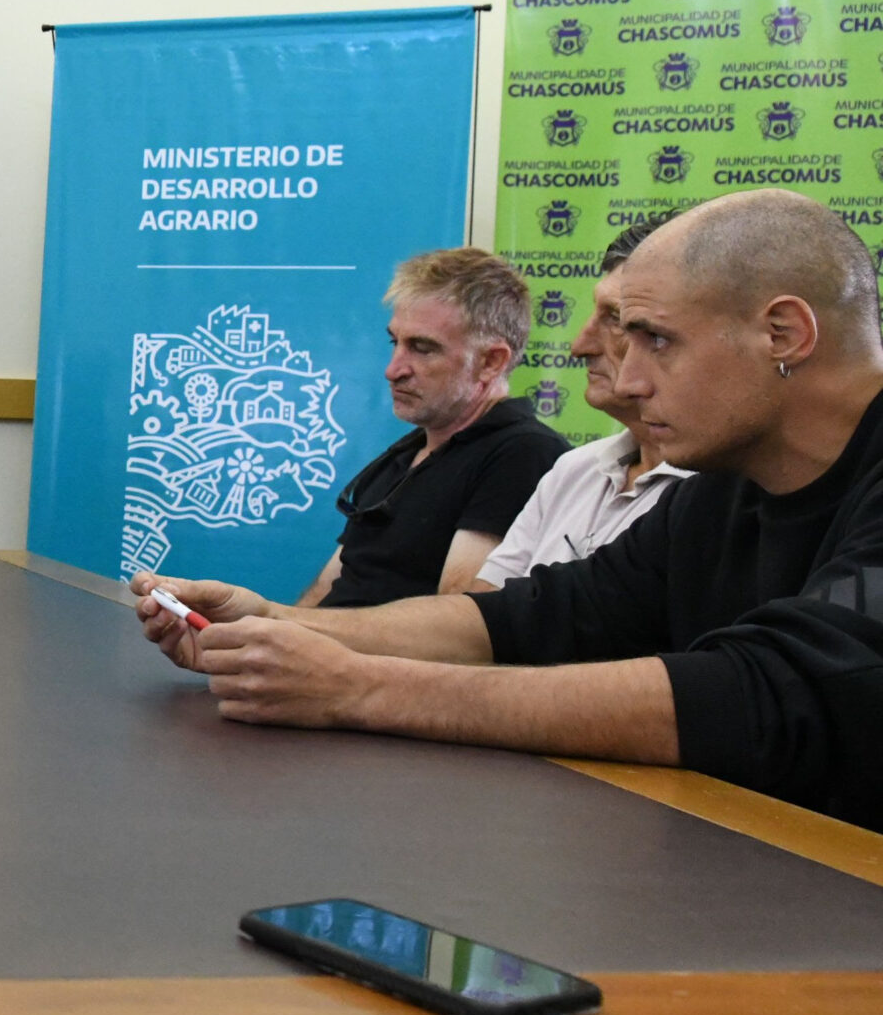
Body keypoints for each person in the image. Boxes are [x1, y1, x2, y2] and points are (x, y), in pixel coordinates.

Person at [132, 189, 883, 833]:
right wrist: (274, 625)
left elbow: (762, 696)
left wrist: (360, 687)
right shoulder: (718, 492)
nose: (629, 380)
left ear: (783, 334)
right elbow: (529, 616)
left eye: (657, 340)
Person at [302, 247, 566, 606]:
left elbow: (457, 619)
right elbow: (326, 590)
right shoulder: (404, 456)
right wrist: (267, 632)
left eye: (422, 348)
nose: (393, 370)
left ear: (491, 361)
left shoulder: (523, 454)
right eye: (395, 342)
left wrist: (287, 633)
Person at [470, 216, 689, 589]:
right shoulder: (574, 469)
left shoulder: (727, 493)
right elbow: (486, 607)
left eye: (618, 320)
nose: (579, 346)